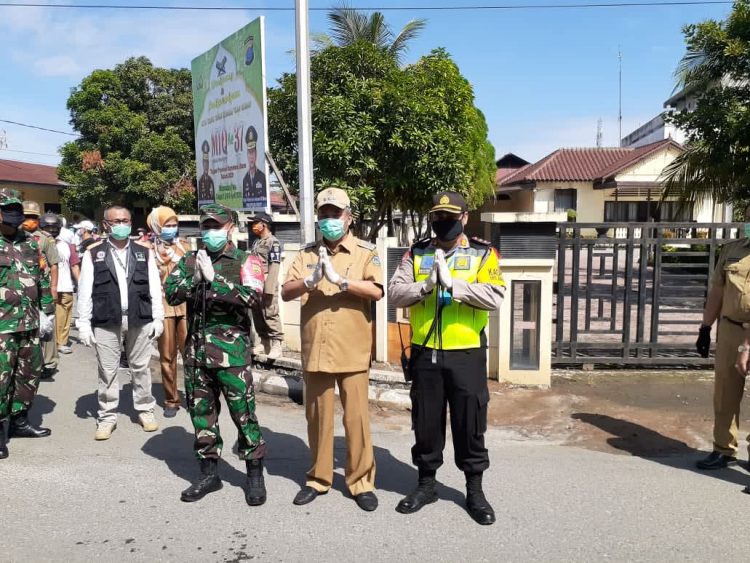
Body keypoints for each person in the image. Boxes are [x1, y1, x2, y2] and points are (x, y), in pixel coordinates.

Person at [388, 191, 506, 526]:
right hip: (425, 352)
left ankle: (474, 491)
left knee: (470, 424)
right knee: (426, 423)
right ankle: (426, 485)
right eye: (438, 216)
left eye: (451, 217)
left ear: (465, 218)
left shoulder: (484, 253)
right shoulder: (417, 252)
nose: (444, 222)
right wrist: (425, 286)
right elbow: (395, 292)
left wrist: (456, 286)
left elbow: (495, 296)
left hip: (466, 352)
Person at [282, 187, 383, 512]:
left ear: (349, 217)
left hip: (352, 351)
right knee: (318, 419)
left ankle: (361, 482)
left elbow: (376, 290)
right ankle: (318, 478)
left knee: (356, 420)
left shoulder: (365, 252)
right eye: (323, 214)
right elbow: (285, 291)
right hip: (317, 351)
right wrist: (311, 281)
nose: (328, 220)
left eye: (334, 214)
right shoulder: (306, 254)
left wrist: (341, 281)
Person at [165, 203, 267, 505]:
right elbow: (171, 292)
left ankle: (254, 476)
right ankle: (209, 474)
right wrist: (194, 279)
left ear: (231, 229)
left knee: (243, 415)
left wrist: (215, 281)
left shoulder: (246, 259)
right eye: (206, 227)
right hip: (196, 354)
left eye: (216, 226)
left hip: (232, 356)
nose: (210, 232)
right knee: (201, 416)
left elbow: (254, 297)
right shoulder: (190, 260)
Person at [76, 205, 164, 441]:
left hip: (140, 317)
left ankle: (145, 410)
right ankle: (107, 417)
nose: (122, 225)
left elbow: (155, 287)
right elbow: (85, 291)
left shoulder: (143, 252)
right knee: (108, 371)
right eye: (116, 221)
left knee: (141, 368)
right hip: (107, 319)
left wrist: (158, 317)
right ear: (105, 225)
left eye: (125, 220)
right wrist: (83, 323)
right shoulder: (93, 253)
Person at [695, 204, 750, 471]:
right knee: (725, 392)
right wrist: (705, 327)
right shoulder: (732, 250)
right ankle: (723, 449)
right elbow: (717, 290)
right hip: (730, 329)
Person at [0, 189, 54, 459]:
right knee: (1, 378)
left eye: (17, 210)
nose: (14, 216)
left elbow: (41, 278)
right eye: (8, 210)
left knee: (28, 374)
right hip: (2, 326)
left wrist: (47, 312)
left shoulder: (31, 243)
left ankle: (19, 421)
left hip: (30, 323)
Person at [147, 206, 188, 418]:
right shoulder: (148, 249)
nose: (172, 229)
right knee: (167, 355)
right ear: (156, 226)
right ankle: (171, 400)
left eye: (174, 225)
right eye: (167, 226)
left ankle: (195, 394)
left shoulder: (186, 246)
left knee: (191, 354)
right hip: (163, 307)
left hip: (186, 307)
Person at [22, 201, 58, 378]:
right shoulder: (14, 236)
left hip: (43, 289)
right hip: (20, 290)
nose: (29, 221)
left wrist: (54, 287)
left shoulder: (45, 238)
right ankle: (27, 361)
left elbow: (54, 264)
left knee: (48, 326)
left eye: (33, 217)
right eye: (26, 216)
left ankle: (50, 362)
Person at [43, 218, 81, 355]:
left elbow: (74, 265)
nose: (52, 230)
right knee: (51, 317)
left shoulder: (67, 245)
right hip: (46, 288)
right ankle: (49, 344)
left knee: (65, 316)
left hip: (66, 286)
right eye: (48, 227)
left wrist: (81, 283)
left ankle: (62, 342)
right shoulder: (38, 243)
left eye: (55, 227)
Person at [249, 212, 284, 359]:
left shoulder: (273, 242)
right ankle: (264, 342)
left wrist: (268, 287)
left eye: (256, 222)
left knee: (270, 312)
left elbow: (274, 265)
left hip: (267, 281)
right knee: (257, 312)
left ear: (264, 224)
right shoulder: (256, 243)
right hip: (255, 282)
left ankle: (277, 345)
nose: (254, 226)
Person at [241, 126, 266, 209]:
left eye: (253, 152)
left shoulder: (262, 177)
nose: (251, 156)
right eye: (249, 152)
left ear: (256, 154)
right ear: (247, 155)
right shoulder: (245, 179)